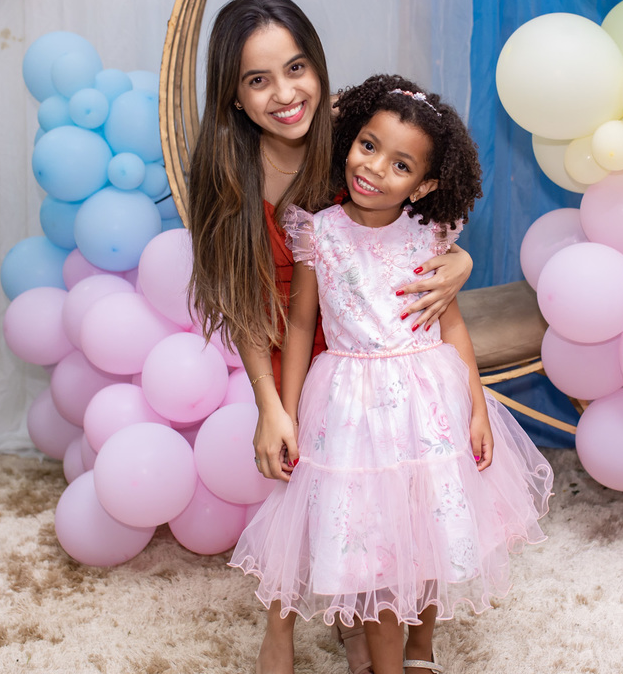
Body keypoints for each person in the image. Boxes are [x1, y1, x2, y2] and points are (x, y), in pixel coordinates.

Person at [186, 0, 474, 674]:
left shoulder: (352, 135)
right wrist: (270, 405)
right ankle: (280, 627)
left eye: (296, 68)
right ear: (233, 96)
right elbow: (244, 305)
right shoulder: (225, 171)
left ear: (317, 65)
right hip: (287, 341)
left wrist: (459, 261)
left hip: (371, 337)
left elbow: (418, 211)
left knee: (380, 500)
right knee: (300, 485)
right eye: (258, 80)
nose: (286, 95)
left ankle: (363, 619)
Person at [230, 74, 553, 674]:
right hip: (351, 409)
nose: (375, 168)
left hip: (427, 409)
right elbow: (300, 326)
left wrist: (477, 407)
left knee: (427, 535)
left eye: (400, 165)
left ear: (423, 185)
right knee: (375, 552)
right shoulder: (318, 232)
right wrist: (289, 410)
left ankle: (421, 653)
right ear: (350, 141)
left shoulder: (430, 237)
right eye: (368, 146)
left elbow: (452, 327)